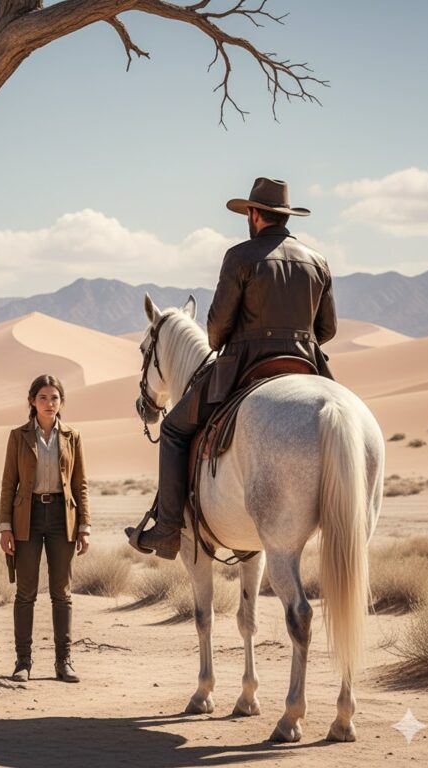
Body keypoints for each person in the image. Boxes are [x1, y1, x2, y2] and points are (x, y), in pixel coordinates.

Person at [128, 177, 337, 560]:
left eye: (248, 214)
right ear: (284, 217)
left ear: (255, 215)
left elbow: (215, 331)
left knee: (174, 428)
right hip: (307, 366)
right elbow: (327, 330)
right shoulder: (317, 262)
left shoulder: (240, 257)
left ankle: (168, 529)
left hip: (246, 366)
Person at [0, 374, 91, 683]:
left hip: (62, 519)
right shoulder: (18, 436)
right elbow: (8, 483)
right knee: (25, 593)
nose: (49, 403)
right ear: (32, 401)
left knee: (61, 594)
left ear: (61, 402)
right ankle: (22, 662)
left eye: (54, 398)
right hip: (27, 516)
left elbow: (80, 485)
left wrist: (85, 526)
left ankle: (64, 662)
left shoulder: (72, 436)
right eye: (43, 398)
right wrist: (5, 527)